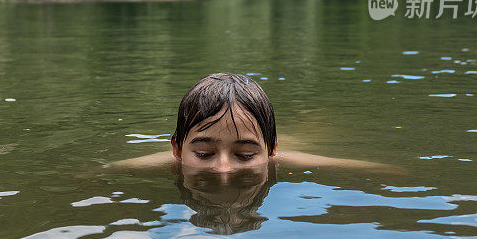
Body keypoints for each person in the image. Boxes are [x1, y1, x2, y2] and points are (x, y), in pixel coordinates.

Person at [108, 73, 404, 174]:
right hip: (254, 132)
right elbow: (112, 169)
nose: (223, 169)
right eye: (203, 153)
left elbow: (347, 165)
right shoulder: (168, 161)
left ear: (272, 152)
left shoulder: (282, 160)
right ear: (176, 149)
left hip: (283, 139)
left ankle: (318, 116)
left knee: (312, 129)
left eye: (245, 155)